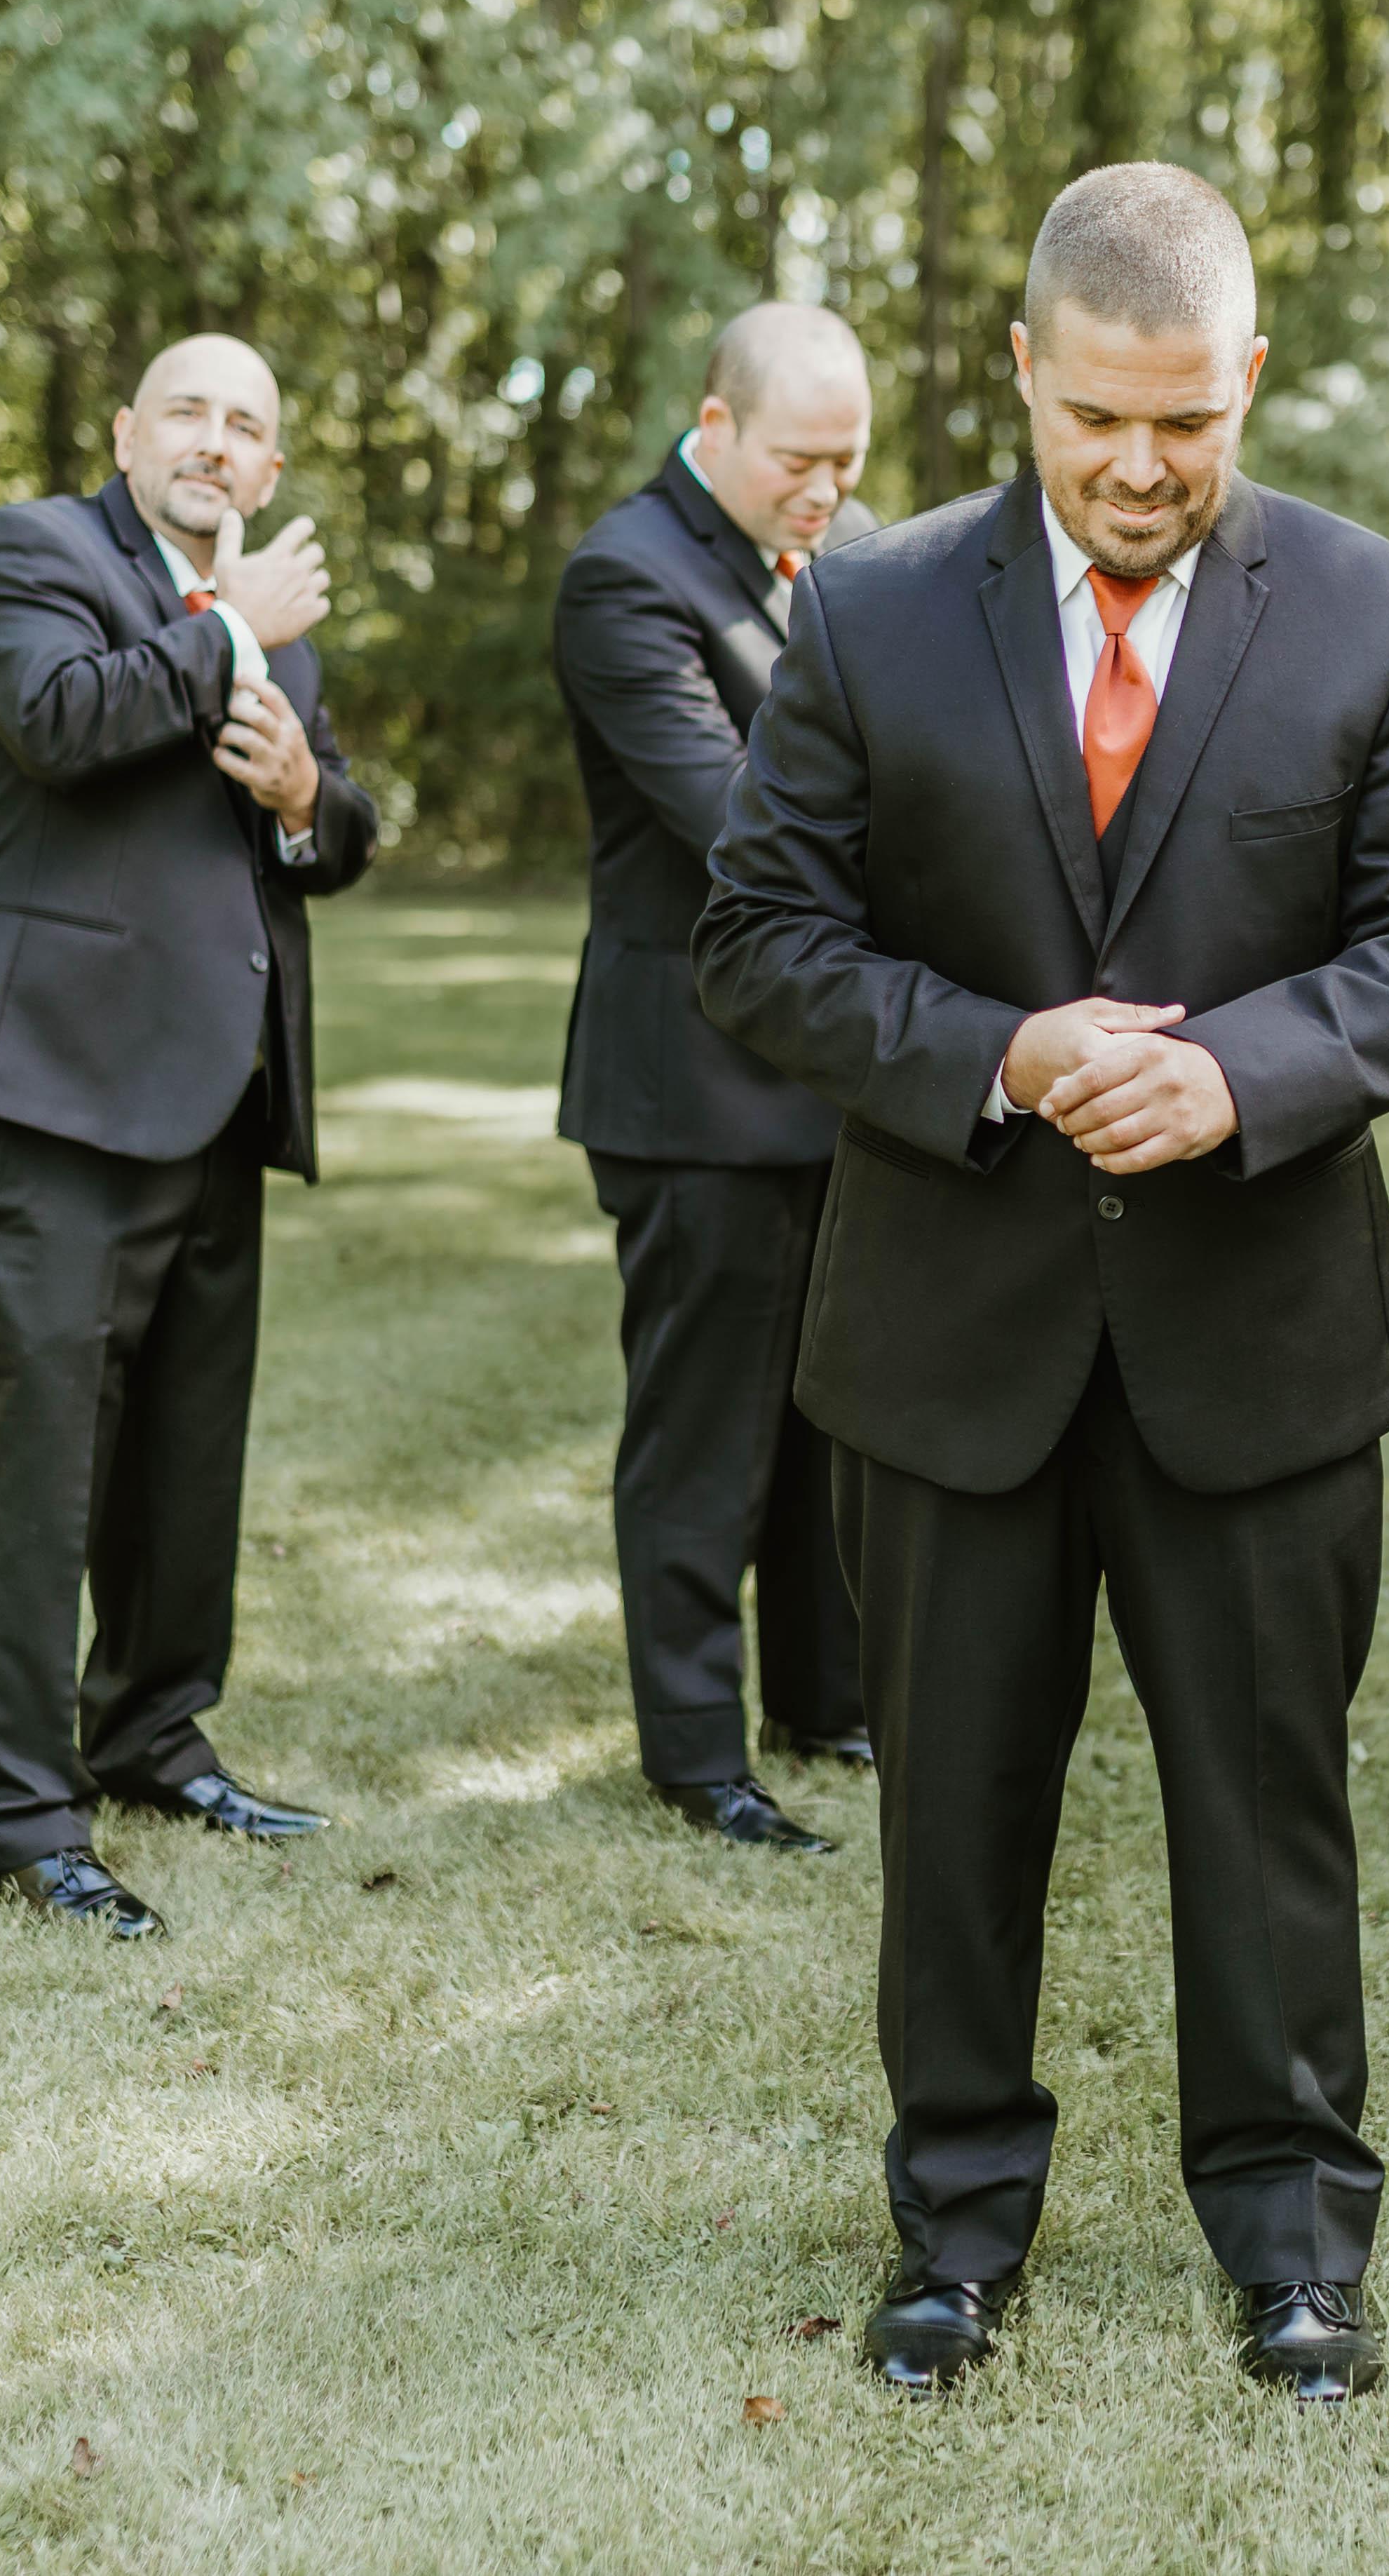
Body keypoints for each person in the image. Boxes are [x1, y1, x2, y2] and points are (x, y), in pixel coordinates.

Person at [698, 163, 1389, 2401]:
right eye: (1095, 420)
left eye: (1186, 420)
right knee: (954, 1810)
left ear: (1245, 375)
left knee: (1269, 1813)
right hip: (946, 1336)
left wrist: (1243, 1073)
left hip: (1259, 1339)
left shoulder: (1378, 615)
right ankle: (956, 2227)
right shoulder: (869, 612)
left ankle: (1295, 2239)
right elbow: (757, 940)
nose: (1141, 466)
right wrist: (1001, 1054)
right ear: (1023, 374)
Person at [0, 332, 379, 1938]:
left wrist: (306, 794)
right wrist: (227, 631)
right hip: (46, 1090)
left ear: (270, 466)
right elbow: (58, 720)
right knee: (39, 1467)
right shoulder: (33, 553)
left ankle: (153, 1739)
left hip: (215, 1099)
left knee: (188, 1457)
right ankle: (26, 1817)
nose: (215, 438)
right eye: (188, 409)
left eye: (247, 423)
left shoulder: (271, 626)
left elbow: (337, 826)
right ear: (126, 433)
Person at [555, 304, 881, 1856]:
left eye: (848, 460)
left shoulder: (849, 555)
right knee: (703, 1428)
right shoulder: (627, 577)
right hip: (688, 1078)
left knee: (833, 1409)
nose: (827, 490)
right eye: (799, 460)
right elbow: (736, 815)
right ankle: (696, 1752)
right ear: (715, 426)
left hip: (835, 1073)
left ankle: (826, 1698)